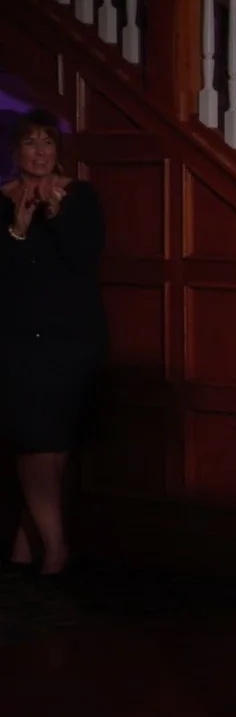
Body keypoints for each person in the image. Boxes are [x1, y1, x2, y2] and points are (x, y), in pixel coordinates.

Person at [0, 110, 107, 578]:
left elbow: (86, 259)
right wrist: (18, 231)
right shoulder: (1, 201)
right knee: (34, 444)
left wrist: (57, 217)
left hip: (73, 338)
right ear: (15, 152)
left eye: (48, 143)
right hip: (19, 340)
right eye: (31, 143)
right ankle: (56, 548)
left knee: (54, 447)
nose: (40, 152)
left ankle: (25, 544)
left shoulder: (80, 196)